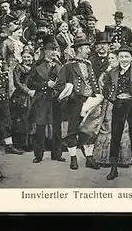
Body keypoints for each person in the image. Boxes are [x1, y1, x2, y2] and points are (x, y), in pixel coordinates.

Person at [55, 36, 102, 170]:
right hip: (74, 102)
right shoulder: (68, 66)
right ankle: (73, 159)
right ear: (79, 49)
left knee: (89, 131)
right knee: (72, 131)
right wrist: (69, 88)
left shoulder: (88, 64)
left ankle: (89, 159)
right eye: (86, 48)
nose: (89, 50)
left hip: (89, 101)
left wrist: (97, 95)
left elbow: (93, 82)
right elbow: (59, 85)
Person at [103, 45, 132, 180]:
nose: (124, 59)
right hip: (118, 105)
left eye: (127, 56)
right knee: (115, 136)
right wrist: (113, 99)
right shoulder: (112, 72)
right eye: (121, 56)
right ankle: (113, 168)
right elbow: (105, 88)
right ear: (117, 58)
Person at [27, 37, 64, 163]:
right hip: (42, 99)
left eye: (55, 50)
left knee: (57, 128)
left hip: (55, 99)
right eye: (51, 50)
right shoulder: (37, 65)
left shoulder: (59, 66)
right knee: (40, 127)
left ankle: (57, 154)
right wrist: (44, 85)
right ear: (45, 51)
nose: (53, 52)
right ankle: (38, 155)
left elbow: (63, 81)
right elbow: (30, 83)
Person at [93, 52, 132, 167]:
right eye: (108, 58)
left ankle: (123, 158)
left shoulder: (123, 72)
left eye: (113, 58)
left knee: (124, 127)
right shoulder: (106, 73)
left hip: (123, 103)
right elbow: (100, 87)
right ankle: (104, 158)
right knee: (108, 127)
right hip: (109, 103)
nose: (110, 60)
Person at [10, 46, 35, 151]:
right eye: (24, 57)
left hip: (34, 95)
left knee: (32, 119)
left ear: (33, 57)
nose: (26, 59)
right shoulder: (18, 68)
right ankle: (20, 143)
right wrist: (27, 91)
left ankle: (31, 143)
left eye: (28, 57)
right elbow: (17, 82)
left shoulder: (35, 67)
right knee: (21, 120)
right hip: (21, 96)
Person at [0, 23, 25, 97]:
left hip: (19, 68)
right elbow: (2, 57)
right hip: (10, 68)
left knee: (20, 85)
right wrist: (5, 68)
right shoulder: (6, 42)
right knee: (11, 86)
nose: (20, 35)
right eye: (19, 32)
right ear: (13, 32)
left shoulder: (20, 43)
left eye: (21, 33)